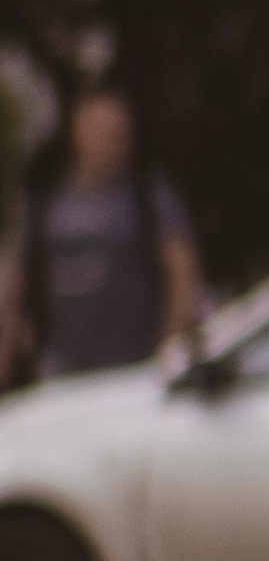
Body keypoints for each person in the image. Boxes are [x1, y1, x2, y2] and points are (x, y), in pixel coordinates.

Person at [1, 88, 201, 384]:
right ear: (76, 133)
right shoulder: (45, 201)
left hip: (131, 370)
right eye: (102, 131)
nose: (114, 141)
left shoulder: (148, 195)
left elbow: (183, 271)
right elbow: (14, 284)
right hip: (59, 371)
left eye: (120, 132)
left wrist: (171, 349)